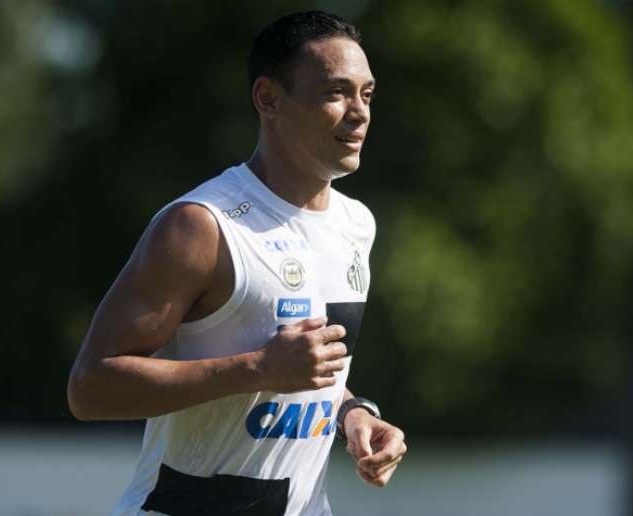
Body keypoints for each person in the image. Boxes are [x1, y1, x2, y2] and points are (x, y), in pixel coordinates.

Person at [67, 10, 407, 516]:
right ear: (269, 99)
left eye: (367, 94)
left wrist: (352, 412)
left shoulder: (357, 224)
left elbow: (305, 366)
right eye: (336, 92)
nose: (359, 112)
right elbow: (91, 389)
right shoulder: (201, 226)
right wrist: (258, 369)